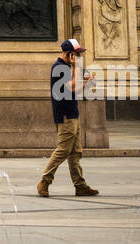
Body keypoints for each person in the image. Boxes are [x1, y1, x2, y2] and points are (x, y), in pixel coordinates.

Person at [38, 39, 99, 197]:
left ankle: (80, 185)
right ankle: (44, 181)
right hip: (65, 115)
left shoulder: (65, 67)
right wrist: (77, 67)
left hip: (72, 113)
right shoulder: (59, 68)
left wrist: (85, 83)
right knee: (63, 150)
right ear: (69, 54)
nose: (79, 56)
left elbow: (73, 90)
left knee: (75, 152)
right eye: (77, 54)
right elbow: (71, 87)